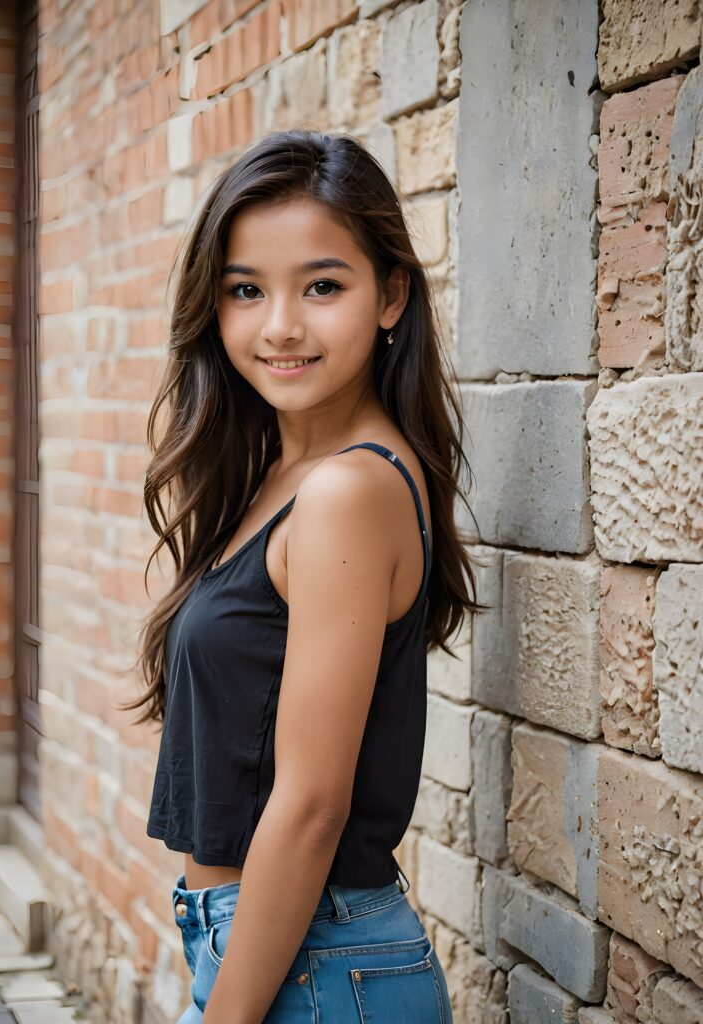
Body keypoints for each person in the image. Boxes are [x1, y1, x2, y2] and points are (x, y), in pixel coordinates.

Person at [122, 128, 484, 1024]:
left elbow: (314, 804)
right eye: (246, 291)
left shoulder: (347, 491)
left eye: (322, 286)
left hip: (314, 969)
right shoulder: (281, 477)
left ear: (391, 295)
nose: (280, 325)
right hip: (275, 953)